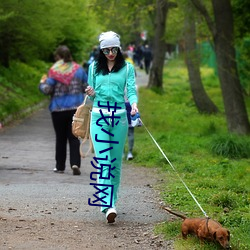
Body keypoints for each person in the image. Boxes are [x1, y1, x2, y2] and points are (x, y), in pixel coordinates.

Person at [86, 31, 138, 223]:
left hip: (120, 118)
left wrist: (134, 104)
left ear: (119, 48)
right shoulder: (93, 68)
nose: (110, 53)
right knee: (104, 162)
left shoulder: (127, 68)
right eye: (106, 50)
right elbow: (91, 97)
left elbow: (131, 90)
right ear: (101, 50)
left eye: (114, 49)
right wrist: (90, 92)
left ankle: (112, 203)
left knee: (115, 164)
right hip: (99, 117)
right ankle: (107, 205)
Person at [39, 45, 88, 175]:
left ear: (58, 57)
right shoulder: (79, 70)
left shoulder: (54, 71)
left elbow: (47, 90)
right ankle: (75, 163)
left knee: (60, 138)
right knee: (74, 137)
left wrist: (42, 83)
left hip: (58, 109)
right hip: (75, 109)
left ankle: (60, 166)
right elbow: (86, 87)